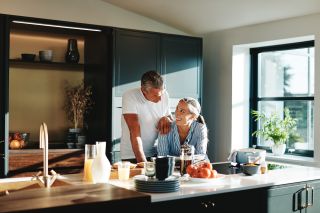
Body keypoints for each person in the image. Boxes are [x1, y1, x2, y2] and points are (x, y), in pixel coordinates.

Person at [121, 70, 173, 163]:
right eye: (156, 95)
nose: (160, 99)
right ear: (144, 91)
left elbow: (169, 119)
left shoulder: (164, 95)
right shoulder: (130, 96)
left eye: (162, 93)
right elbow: (134, 131)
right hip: (132, 155)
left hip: (156, 153)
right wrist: (143, 163)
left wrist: (167, 118)